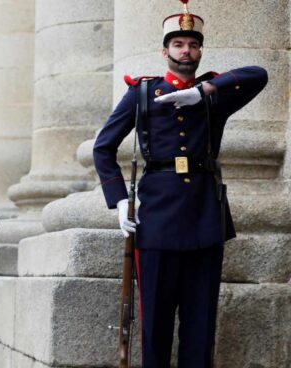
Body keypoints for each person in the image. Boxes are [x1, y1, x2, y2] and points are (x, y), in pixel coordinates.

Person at [92, 1, 268, 367]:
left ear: (200, 51)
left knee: (200, 328)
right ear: (165, 51)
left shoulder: (213, 95)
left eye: (192, 44)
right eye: (178, 44)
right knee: (155, 327)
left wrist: (202, 92)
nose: (186, 51)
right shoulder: (141, 93)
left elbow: (259, 74)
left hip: (205, 218)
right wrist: (120, 201)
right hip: (155, 222)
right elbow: (103, 148)